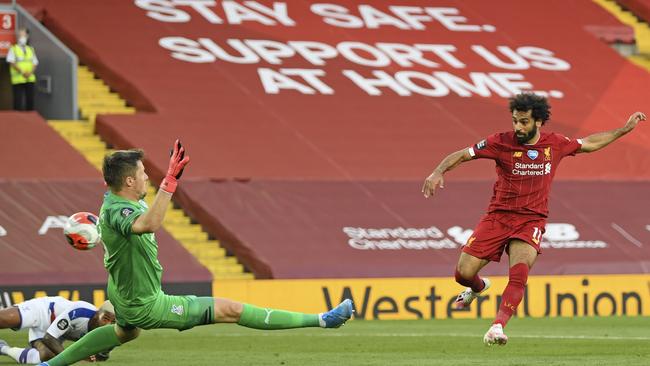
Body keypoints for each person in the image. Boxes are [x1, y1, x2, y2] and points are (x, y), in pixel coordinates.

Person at [38, 140, 353, 366]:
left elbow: (119, 211)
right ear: (131, 181)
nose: (148, 176)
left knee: (124, 332)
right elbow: (148, 225)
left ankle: (49, 364)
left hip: (123, 293)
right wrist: (170, 182)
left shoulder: (118, 201)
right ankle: (323, 320)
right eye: (143, 173)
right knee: (231, 310)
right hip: (145, 303)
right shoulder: (120, 209)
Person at [421, 93, 646, 346]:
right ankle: (478, 287)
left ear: (538, 121)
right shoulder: (500, 142)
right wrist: (437, 171)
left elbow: (590, 143)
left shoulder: (556, 144)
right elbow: (463, 154)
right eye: (515, 121)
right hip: (497, 217)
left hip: (531, 221)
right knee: (463, 273)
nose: (518, 127)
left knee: (519, 273)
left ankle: (497, 326)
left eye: (524, 122)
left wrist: (625, 129)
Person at [0, 296, 115, 364]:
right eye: (105, 319)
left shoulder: (110, 331)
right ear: (96, 314)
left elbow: (102, 356)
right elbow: (49, 337)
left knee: (47, 356)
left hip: (58, 334)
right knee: (4, 319)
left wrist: (89, 355)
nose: (108, 324)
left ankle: (3, 348)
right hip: (43, 312)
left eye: (113, 322)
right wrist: (71, 359)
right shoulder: (80, 311)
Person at [6, 28, 38, 111]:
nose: (21, 37)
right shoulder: (13, 49)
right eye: (20, 35)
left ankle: (30, 119)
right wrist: (23, 72)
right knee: (18, 101)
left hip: (29, 78)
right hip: (18, 79)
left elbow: (35, 63)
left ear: (27, 36)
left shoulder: (31, 49)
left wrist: (29, 73)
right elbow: (11, 62)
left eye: (23, 35)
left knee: (30, 101)